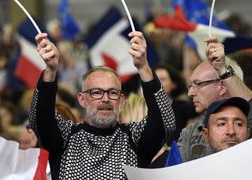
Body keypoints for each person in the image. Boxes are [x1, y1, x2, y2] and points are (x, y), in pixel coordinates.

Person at [28, 31, 176, 179]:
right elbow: (40, 119)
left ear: (121, 100)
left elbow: (165, 122)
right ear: (82, 99)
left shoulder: (134, 138)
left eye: (112, 93)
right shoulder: (66, 138)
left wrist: (144, 67)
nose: (105, 99)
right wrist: (51, 71)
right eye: (96, 92)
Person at [178, 37, 252, 168]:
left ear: (222, 86)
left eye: (198, 84)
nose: (190, 93)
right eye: (190, 86)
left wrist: (223, 70)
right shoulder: (191, 131)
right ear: (205, 134)